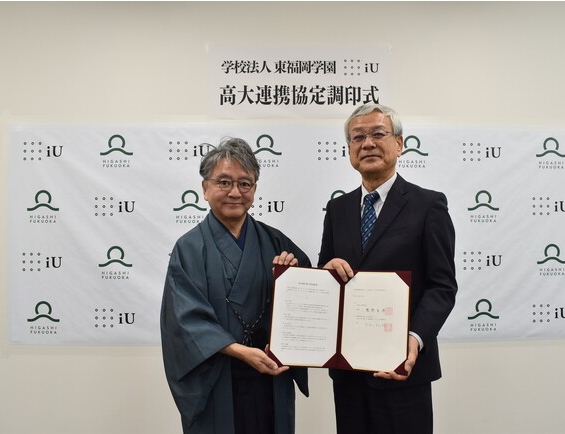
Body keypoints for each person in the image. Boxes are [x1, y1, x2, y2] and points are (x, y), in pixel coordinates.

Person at [318, 103, 457, 434]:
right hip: (348, 372)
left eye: (378, 133)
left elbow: (442, 286)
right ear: (349, 148)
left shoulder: (429, 205)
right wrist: (327, 270)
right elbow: (327, 273)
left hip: (403, 369)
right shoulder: (337, 209)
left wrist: (414, 339)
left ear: (399, 143)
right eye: (358, 137)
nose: (367, 143)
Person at [160, 137, 310, 434]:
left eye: (245, 184)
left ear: (254, 189)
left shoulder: (275, 241)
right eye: (224, 182)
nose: (235, 192)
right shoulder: (188, 248)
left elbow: (310, 300)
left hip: (270, 377)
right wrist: (240, 351)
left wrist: (292, 278)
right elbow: (185, 321)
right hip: (217, 380)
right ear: (205, 188)